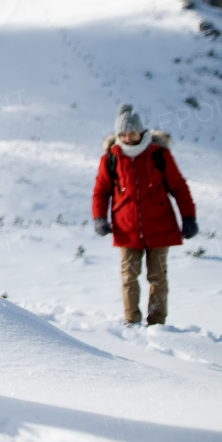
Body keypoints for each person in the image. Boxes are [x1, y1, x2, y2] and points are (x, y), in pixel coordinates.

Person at [92, 104, 198, 325]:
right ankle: (131, 321)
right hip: (126, 228)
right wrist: (99, 218)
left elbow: (179, 187)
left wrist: (189, 217)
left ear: (141, 132)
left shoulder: (159, 155)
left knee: (157, 277)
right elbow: (101, 191)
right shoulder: (110, 158)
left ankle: (157, 322)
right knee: (129, 277)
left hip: (160, 226)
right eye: (123, 134)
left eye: (132, 133)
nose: (128, 138)